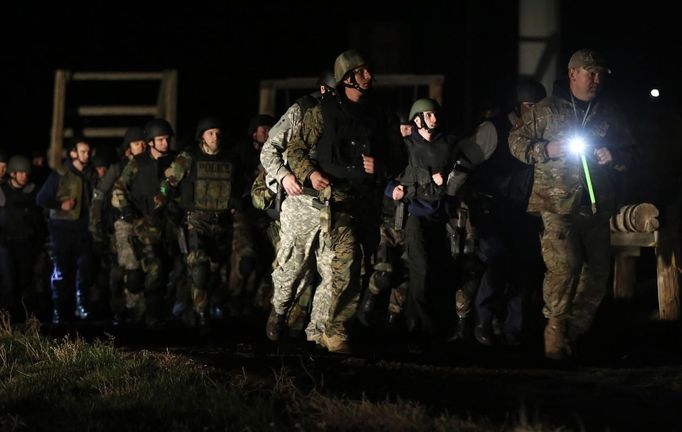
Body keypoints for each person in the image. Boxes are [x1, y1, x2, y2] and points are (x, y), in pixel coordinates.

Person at [508, 49, 634, 360]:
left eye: (600, 73)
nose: (596, 79)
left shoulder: (609, 113)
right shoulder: (546, 110)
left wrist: (615, 156)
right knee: (565, 266)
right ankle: (554, 332)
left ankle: (574, 334)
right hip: (555, 204)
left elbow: (631, 152)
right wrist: (545, 149)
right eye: (590, 72)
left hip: (594, 206)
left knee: (598, 274)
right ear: (572, 74)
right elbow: (515, 141)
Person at [287, 49, 406, 352]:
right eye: (362, 72)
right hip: (337, 200)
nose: (369, 76)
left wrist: (382, 167)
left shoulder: (381, 113)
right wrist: (311, 175)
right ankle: (337, 330)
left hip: (368, 199)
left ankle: (333, 327)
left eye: (369, 71)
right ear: (347, 78)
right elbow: (296, 150)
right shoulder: (323, 111)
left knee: (363, 267)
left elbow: (399, 157)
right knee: (348, 260)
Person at [451, 78, 547, 346]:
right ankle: (483, 321)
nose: (534, 111)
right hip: (492, 208)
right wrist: (449, 197)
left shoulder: (541, 133)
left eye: (539, 106)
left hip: (524, 210)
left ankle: (513, 330)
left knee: (525, 269)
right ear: (517, 104)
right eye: (529, 105)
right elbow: (464, 162)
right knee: (495, 264)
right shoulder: (494, 129)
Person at [260, 70, 336, 342]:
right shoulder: (301, 110)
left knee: (332, 271)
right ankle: (278, 312)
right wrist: (284, 175)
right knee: (293, 269)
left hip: (334, 203)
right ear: (325, 90)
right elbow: (269, 149)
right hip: (301, 200)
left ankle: (316, 336)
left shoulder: (354, 116)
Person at [385, 98, 458, 348]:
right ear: (417, 119)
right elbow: (391, 177)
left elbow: (460, 173)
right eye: (428, 115)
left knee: (436, 271)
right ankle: (424, 328)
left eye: (435, 114)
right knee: (421, 269)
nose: (434, 119)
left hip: (440, 215)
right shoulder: (405, 147)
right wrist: (392, 190)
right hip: (415, 214)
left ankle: (415, 325)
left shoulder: (448, 144)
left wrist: (449, 181)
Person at [156, 116, 240, 328]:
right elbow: (168, 182)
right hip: (196, 220)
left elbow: (240, 186)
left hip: (222, 221)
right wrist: (163, 202)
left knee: (218, 268)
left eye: (217, 132)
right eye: (210, 133)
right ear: (201, 136)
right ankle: (201, 312)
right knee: (199, 267)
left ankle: (212, 306)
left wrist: (237, 200)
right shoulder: (189, 157)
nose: (215, 137)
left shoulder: (229, 157)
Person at [111, 118, 177, 326]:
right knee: (145, 271)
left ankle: (157, 313)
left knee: (168, 271)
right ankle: (136, 312)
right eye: (160, 140)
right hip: (142, 224)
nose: (165, 144)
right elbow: (119, 187)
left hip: (168, 224)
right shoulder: (137, 162)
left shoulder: (176, 162)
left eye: (167, 139)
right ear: (150, 142)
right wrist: (126, 208)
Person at [37, 138, 97, 324]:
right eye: (83, 151)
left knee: (85, 270)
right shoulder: (60, 174)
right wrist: (60, 204)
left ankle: (81, 307)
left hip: (84, 230)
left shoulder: (91, 174)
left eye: (88, 151)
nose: (86, 155)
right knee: (62, 271)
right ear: (73, 153)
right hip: (62, 230)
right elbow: (42, 198)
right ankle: (61, 311)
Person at [0, 155, 43, 320]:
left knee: (25, 283)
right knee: (9, 283)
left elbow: (39, 220)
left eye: (26, 173)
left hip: (26, 244)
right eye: (21, 173)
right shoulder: (2, 191)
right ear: (12, 174)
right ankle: (7, 321)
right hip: (6, 244)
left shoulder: (32, 192)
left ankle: (22, 320)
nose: (25, 176)